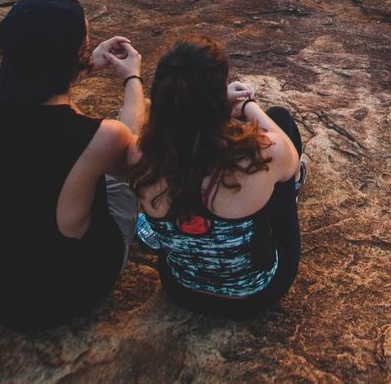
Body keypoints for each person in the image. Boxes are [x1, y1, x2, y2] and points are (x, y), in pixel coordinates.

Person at [0, 0, 146, 331]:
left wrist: (82, 67)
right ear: (76, 55)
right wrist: (133, 78)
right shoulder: (99, 136)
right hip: (63, 298)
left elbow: (32, 103)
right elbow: (132, 153)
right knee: (121, 174)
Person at [128, 36, 307, 318]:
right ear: (216, 95)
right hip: (256, 295)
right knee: (280, 120)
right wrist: (248, 106)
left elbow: (153, 129)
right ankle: (284, 195)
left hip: (181, 289)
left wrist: (133, 77)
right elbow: (290, 156)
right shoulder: (257, 155)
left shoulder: (137, 154)